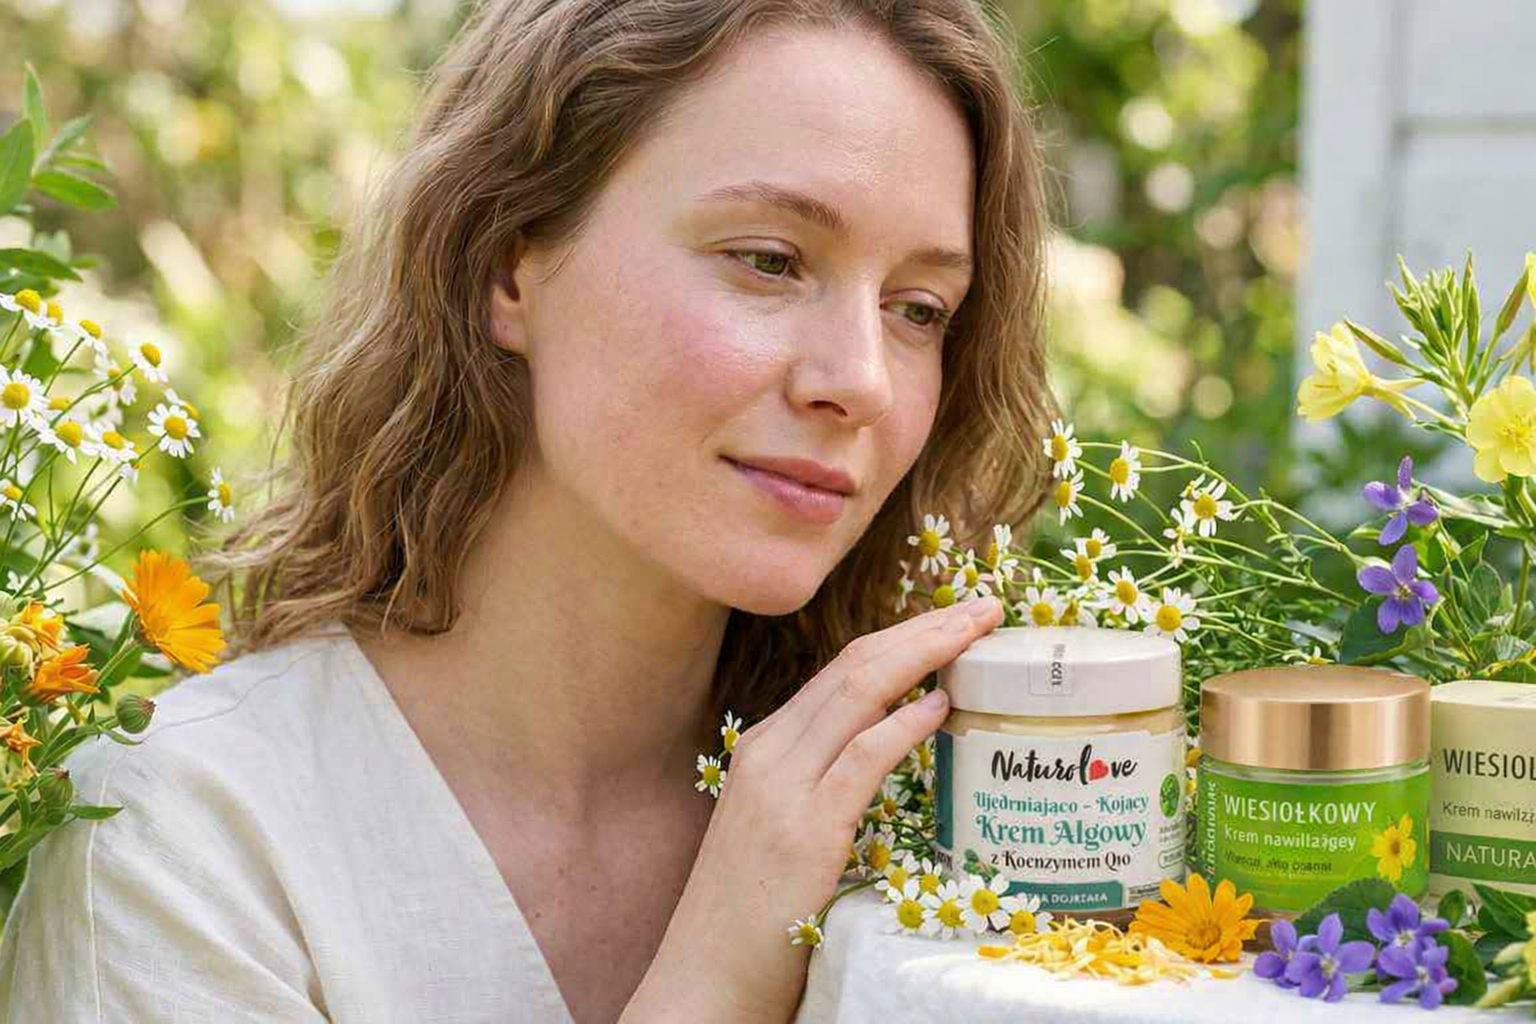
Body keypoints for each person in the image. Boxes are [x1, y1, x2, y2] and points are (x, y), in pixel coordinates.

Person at [0, 0, 1055, 1020]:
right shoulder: (182, 843)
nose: (862, 379)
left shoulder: (943, 825)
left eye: (920, 309)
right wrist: (718, 979)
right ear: (510, 262)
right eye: (769, 261)